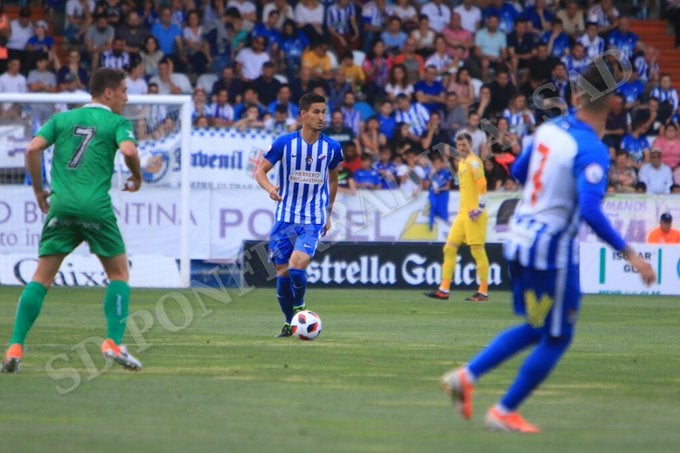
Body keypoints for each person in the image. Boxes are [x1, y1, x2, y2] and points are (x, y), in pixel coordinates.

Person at [438, 62, 655, 433]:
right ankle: (504, 410)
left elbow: (520, 172)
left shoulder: (549, 129)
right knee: (558, 336)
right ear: (614, 103)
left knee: (537, 326)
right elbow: (589, 209)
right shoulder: (591, 149)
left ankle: (468, 376)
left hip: (519, 240)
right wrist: (631, 255)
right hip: (550, 250)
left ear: (577, 96)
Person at [1, 68, 144, 373]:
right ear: (108, 93)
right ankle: (113, 342)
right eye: (123, 91)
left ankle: (15, 345)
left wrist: (39, 191)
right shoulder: (117, 122)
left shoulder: (61, 120)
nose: (126, 97)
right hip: (95, 208)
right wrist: (137, 175)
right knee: (119, 275)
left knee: (41, 278)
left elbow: (32, 148)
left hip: (61, 207)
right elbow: (129, 150)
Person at [254, 92, 343, 338]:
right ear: (303, 114)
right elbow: (260, 172)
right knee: (282, 275)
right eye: (316, 112)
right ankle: (290, 322)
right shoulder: (284, 143)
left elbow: (333, 180)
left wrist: (328, 212)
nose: (321, 117)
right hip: (285, 217)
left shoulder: (332, 148)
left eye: (323, 112)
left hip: (313, 218)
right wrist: (270, 187)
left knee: (297, 265)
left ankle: (300, 307)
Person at [425, 133, 490, 302]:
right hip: (463, 214)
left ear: (470, 145)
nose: (461, 148)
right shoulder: (461, 162)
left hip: (474, 213)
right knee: (449, 248)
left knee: (477, 251)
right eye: (459, 145)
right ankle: (444, 289)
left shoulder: (473, 161)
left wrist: (480, 208)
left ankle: (483, 292)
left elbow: (482, 183)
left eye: (464, 145)